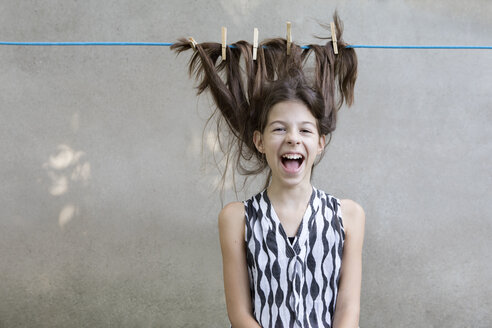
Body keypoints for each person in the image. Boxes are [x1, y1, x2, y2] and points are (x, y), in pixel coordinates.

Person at [172, 13, 365, 328]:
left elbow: (347, 312)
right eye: (279, 129)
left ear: (320, 143)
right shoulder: (236, 219)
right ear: (260, 141)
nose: (292, 138)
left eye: (305, 130)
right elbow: (240, 315)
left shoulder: (348, 216)